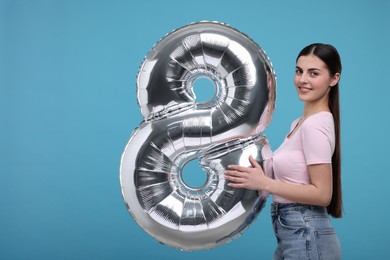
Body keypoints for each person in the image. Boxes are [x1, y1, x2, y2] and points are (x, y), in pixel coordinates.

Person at [224, 43, 342, 259]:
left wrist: (265, 183)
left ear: (334, 79)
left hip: (306, 233)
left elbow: (323, 194)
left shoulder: (314, 125)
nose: (302, 80)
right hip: (294, 232)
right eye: (299, 71)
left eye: (313, 73)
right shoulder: (299, 123)